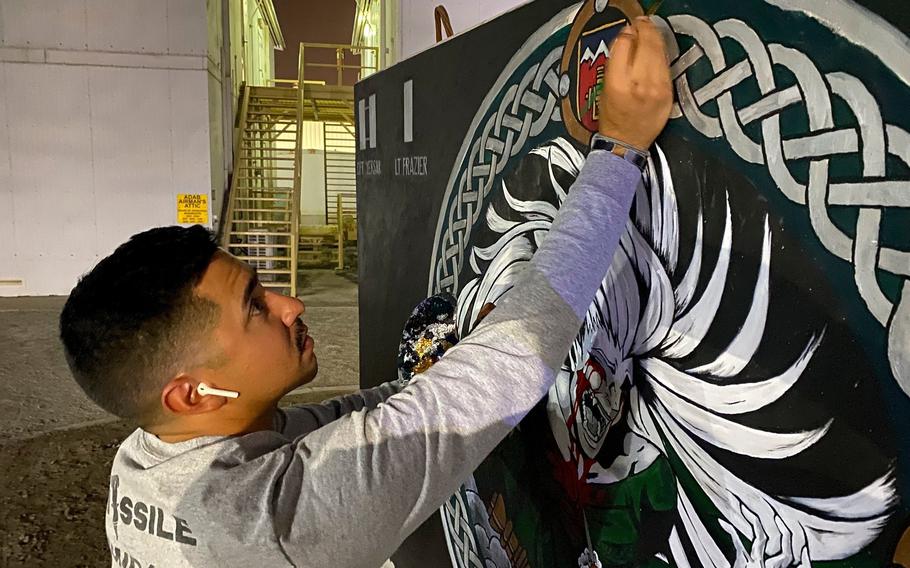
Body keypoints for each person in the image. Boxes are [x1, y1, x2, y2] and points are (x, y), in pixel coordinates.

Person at [59, 17, 672, 568]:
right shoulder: (278, 526)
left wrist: (440, 359)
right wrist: (618, 149)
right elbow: (508, 368)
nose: (291, 304)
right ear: (192, 393)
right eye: (255, 307)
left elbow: (358, 422)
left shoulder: (145, 461)